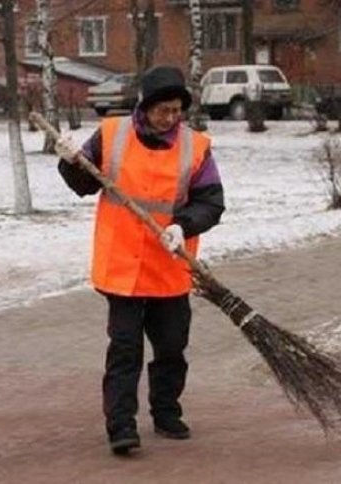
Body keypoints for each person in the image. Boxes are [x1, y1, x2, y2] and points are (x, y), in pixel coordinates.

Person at [55, 65, 225, 456]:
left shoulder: (195, 146)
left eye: (176, 110)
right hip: (123, 267)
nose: (171, 118)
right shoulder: (113, 134)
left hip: (170, 266)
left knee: (171, 347)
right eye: (163, 110)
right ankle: (121, 426)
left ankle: (166, 413)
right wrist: (69, 162)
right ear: (144, 108)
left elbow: (211, 202)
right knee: (125, 349)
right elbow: (86, 184)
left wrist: (184, 226)